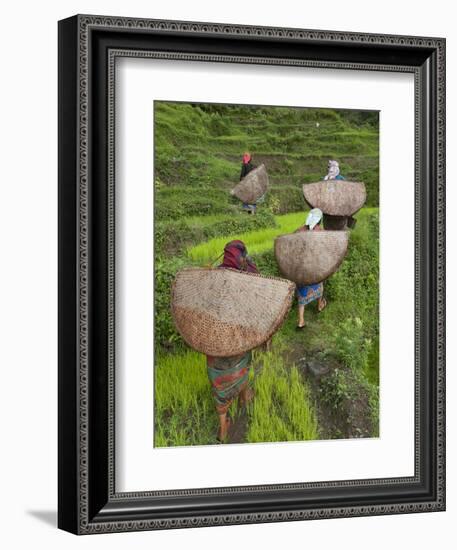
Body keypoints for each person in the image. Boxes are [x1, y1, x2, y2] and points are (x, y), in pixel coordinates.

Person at [206, 240, 257, 442]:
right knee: (242, 366)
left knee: (219, 380)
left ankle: (223, 426)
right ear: (241, 256)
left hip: (214, 340)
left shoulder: (212, 278)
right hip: (239, 337)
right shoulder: (247, 276)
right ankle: (244, 397)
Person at [295, 208, 327, 329]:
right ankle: (319, 305)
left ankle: (301, 321)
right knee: (319, 285)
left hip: (300, 268)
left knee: (302, 291)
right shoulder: (321, 232)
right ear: (320, 220)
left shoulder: (299, 231)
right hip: (315, 267)